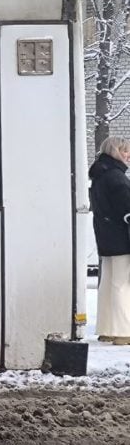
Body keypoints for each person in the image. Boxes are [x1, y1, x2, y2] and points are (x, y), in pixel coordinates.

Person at [89, 136, 130, 345]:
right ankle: (124, 331)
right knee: (123, 284)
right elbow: (126, 208)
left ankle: (107, 328)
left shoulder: (99, 175)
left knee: (108, 283)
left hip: (105, 235)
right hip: (122, 237)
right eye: (124, 151)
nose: (128, 155)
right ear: (115, 151)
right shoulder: (117, 177)